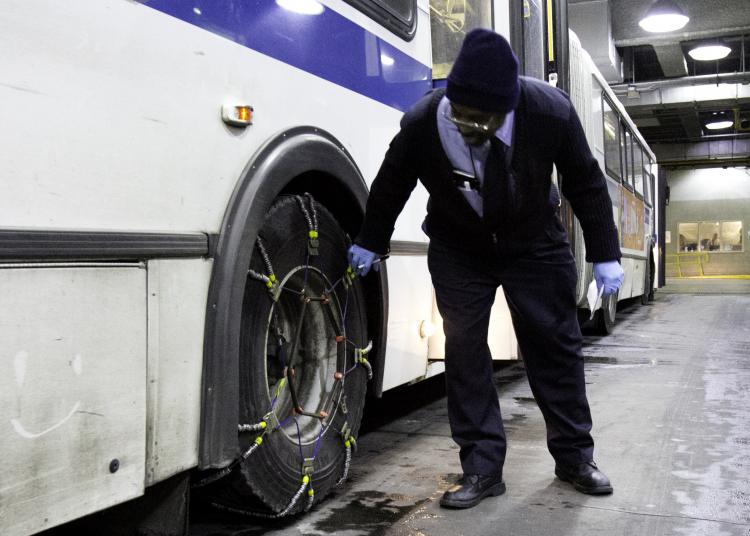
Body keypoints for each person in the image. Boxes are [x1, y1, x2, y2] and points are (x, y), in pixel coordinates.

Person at [348, 28, 624, 509]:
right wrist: (371, 240)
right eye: (460, 113)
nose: (467, 125)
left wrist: (605, 252)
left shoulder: (548, 111)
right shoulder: (423, 123)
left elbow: (585, 181)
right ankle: (480, 466)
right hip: (460, 247)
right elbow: (392, 182)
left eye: (481, 119)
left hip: (534, 242)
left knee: (554, 347)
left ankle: (575, 457)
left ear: (507, 108)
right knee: (464, 352)